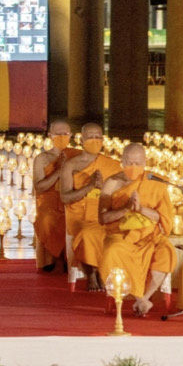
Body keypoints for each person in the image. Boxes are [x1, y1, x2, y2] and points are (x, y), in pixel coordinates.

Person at [97, 145, 177, 316]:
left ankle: (145, 297)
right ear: (121, 161)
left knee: (166, 252)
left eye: (138, 163)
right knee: (112, 251)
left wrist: (140, 209)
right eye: (129, 163)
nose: (133, 167)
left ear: (146, 162)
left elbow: (161, 217)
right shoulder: (112, 183)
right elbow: (103, 218)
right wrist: (125, 209)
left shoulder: (155, 182)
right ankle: (140, 299)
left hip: (149, 235)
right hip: (121, 235)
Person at [56, 123, 121, 290]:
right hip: (79, 215)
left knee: (112, 232)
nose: (94, 140)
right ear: (81, 140)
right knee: (86, 233)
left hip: (104, 212)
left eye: (98, 137)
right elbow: (65, 197)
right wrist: (89, 187)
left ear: (103, 140)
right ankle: (91, 273)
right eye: (90, 137)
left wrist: (103, 188)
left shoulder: (112, 164)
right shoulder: (70, 165)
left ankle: (102, 271)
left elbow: (120, 195)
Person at [31, 119, 81, 273]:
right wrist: (59, 170)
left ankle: (70, 258)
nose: (62, 137)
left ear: (71, 135)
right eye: (58, 133)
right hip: (50, 201)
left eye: (65, 133)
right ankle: (51, 258)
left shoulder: (77, 156)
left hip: (72, 199)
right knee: (46, 219)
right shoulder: (42, 158)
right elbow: (40, 187)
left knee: (79, 218)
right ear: (50, 135)